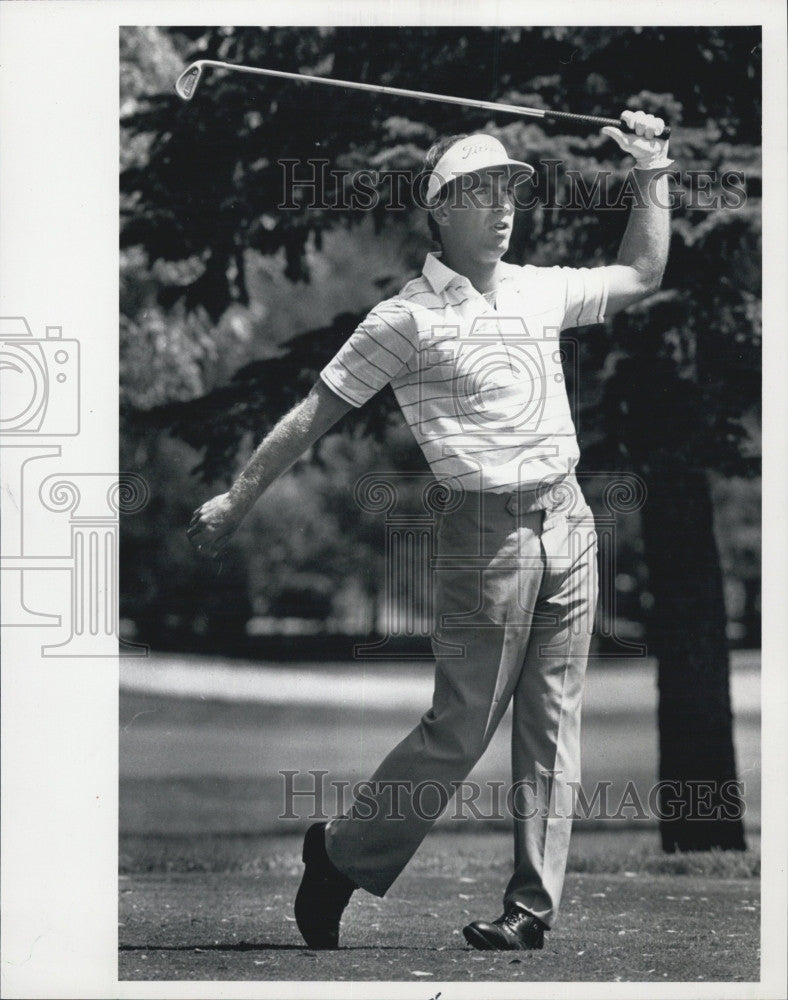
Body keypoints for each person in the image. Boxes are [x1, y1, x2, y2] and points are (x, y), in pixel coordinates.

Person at [187, 109, 671, 951]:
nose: (504, 207)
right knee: (458, 731)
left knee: (555, 729)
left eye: (510, 191)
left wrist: (652, 171)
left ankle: (530, 911)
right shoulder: (403, 322)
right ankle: (337, 859)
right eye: (481, 193)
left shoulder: (537, 287)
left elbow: (641, 271)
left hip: (571, 523)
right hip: (485, 541)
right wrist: (235, 501)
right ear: (441, 209)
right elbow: (311, 418)